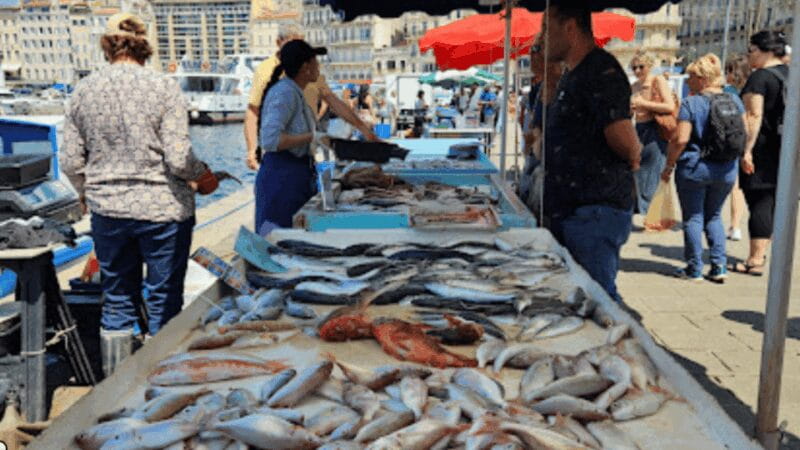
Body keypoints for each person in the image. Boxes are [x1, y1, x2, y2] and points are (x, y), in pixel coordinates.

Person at [60, 13, 219, 375]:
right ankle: (160, 384)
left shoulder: (83, 91)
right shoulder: (163, 87)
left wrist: (87, 192)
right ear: (145, 46)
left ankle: (116, 389)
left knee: (117, 299)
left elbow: (70, 161)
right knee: (164, 299)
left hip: (109, 212)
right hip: (163, 211)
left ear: (107, 47)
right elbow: (179, 158)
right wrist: (204, 177)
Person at [542, 5, 642, 302]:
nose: (542, 38)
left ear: (570, 28)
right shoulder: (574, 73)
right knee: (583, 294)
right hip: (575, 208)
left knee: (597, 298)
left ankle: (626, 342)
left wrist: (634, 154)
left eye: (547, 29)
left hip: (594, 211)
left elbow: (623, 136)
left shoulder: (601, 70)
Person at [660, 53, 746, 282]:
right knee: (715, 216)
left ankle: (694, 268)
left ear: (702, 79)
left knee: (693, 218)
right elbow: (744, 132)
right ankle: (719, 266)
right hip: (726, 168)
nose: (688, 81)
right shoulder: (734, 101)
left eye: (691, 77)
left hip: (695, 167)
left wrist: (669, 165)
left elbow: (680, 140)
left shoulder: (691, 103)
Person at [244, 25, 376, 170]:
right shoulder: (271, 77)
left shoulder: (309, 72)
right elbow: (254, 113)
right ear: (278, 42)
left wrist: (365, 130)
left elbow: (334, 102)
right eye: (295, 44)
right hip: (282, 159)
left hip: (304, 156)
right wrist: (251, 150)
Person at [255, 40, 326, 236]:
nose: (318, 66)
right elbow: (270, 140)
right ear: (305, 67)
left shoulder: (294, 92)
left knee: (292, 239)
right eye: (315, 62)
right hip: (281, 180)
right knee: (278, 242)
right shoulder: (285, 93)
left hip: (294, 177)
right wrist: (312, 137)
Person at [733, 30, 789, 276]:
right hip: (786, 149)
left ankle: (755, 259)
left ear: (766, 51)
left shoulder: (760, 78)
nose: (749, 55)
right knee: (777, 201)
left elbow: (753, 116)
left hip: (763, 149)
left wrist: (747, 150)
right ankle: (767, 252)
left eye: (752, 50)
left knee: (760, 202)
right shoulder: (792, 74)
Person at [630, 52, 676, 215]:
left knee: (654, 172)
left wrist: (644, 104)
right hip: (638, 130)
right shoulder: (634, 86)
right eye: (634, 67)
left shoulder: (658, 81)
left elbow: (670, 106)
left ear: (649, 66)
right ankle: (644, 210)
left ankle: (652, 214)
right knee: (638, 172)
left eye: (641, 67)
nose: (637, 70)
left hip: (655, 130)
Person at [724, 55, 752, 241]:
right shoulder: (752, 90)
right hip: (746, 141)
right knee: (738, 188)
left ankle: (732, 225)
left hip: (729, 141)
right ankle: (735, 225)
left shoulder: (728, 92)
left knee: (732, 186)